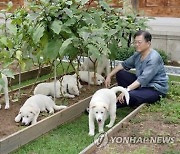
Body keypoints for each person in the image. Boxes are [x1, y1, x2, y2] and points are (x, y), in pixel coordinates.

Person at [105, 30, 169, 108]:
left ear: (148, 43)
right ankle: (133, 97)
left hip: (154, 89)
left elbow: (142, 79)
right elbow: (123, 64)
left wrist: (126, 90)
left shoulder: (153, 58)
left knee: (130, 95)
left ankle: (106, 107)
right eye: (135, 42)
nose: (136, 45)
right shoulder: (138, 54)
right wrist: (109, 75)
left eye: (139, 42)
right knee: (121, 73)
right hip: (142, 85)